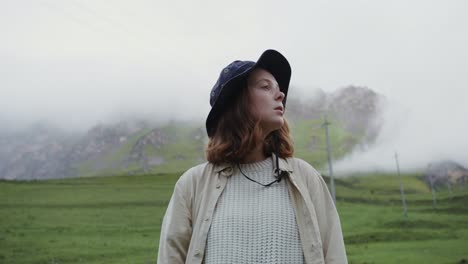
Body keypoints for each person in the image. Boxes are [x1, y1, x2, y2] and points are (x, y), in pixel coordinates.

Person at [157, 49, 347, 264]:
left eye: (279, 88)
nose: (280, 94)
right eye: (265, 86)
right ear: (236, 101)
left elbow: (334, 256)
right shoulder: (192, 185)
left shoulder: (306, 178)